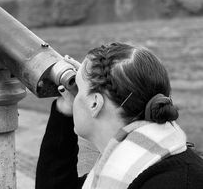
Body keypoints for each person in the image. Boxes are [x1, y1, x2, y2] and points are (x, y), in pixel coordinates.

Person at [36, 42, 203, 189]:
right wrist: (64, 109)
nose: (74, 93)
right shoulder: (130, 168)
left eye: (78, 86)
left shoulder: (176, 182)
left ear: (95, 103)